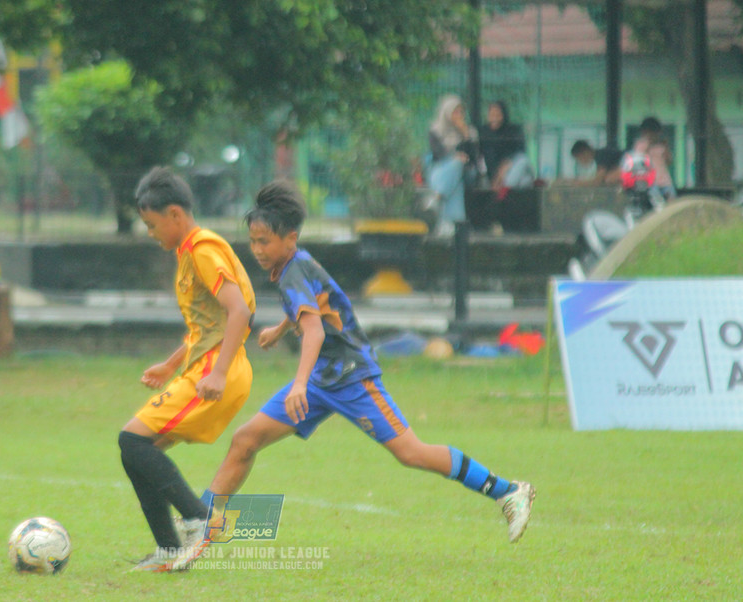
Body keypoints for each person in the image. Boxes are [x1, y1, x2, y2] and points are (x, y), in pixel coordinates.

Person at [174, 180, 536, 570]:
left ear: (290, 238)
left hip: (350, 378)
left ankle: (508, 491)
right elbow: (318, 305)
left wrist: (298, 382)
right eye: (254, 241)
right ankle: (203, 527)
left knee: (412, 453)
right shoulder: (294, 264)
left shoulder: (293, 270)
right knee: (245, 440)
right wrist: (281, 328)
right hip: (321, 380)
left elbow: (313, 330)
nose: (258, 251)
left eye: (265, 241)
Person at [119, 166, 257, 573]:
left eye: (152, 224)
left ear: (176, 215)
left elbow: (240, 311)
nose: (150, 232)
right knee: (137, 452)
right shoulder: (190, 251)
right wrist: (171, 363)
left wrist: (216, 373)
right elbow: (208, 324)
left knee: (132, 441)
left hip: (218, 372)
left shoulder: (202, 249)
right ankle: (167, 549)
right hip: (206, 366)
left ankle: (201, 518)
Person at [426, 94, 477, 235]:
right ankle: (452, 224)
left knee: (458, 165)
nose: (459, 115)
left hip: (465, 171)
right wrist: (454, 157)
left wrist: (465, 134)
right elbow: (437, 154)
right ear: (447, 112)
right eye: (455, 111)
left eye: (461, 112)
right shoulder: (436, 130)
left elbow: (473, 158)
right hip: (441, 171)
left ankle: (437, 198)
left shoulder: (470, 131)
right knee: (456, 180)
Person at [479, 100, 526, 187]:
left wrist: (507, 163)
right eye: (492, 115)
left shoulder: (513, 130)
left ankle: (505, 187)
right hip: (493, 176)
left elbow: (520, 151)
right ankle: (504, 188)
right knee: (524, 181)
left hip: (512, 170)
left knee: (523, 162)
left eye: (498, 115)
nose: (495, 118)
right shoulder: (484, 132)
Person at [637, 117, 676, 200]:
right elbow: (640, 160)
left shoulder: (661, 145)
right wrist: (649, 144)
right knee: (658, 204)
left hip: (665, 181)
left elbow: (669, 161)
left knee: (672, 202)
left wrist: (666, 147)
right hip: (650, 183)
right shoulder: (640, 144)